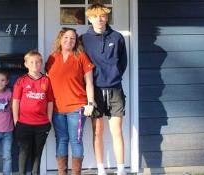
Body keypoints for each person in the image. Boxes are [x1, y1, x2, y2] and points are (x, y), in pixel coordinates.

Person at [80, 3, 127, 175]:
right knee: (97, 131)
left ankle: (121, 169)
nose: (99, 19)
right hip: (95, 91)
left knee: (117, 131)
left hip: (115, 89)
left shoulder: (117, 37)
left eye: (102, 16)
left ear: (106, 17)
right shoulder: (83, 39)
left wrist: (113, 76)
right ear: (90, 18)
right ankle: (101, 169)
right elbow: (80, 65)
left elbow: (123, 63)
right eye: (95, 16)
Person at [45, 27, 95, 175]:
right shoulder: (53, 57)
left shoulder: (82, 57)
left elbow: (90, 82)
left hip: (77, 107)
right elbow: (47, 83)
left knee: (76, 141)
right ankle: (62, 173)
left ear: (76, 41)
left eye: (73, 38)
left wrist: (90, 103)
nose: (69, 40)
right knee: (61, 140)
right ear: (60, 39)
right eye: (66, 37)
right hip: (56, 108)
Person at [12, 50, 54, 175]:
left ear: (41, 63)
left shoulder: (46, 80)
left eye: (37, 62)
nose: (35, 64)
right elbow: (15, 101)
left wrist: (49, 120)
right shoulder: (21, 81)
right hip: (24, 124)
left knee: (37, 153)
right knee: (24, 151)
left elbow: (50, 102)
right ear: (26, 64)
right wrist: (16, 120)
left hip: (42, 125)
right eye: (32, 62)